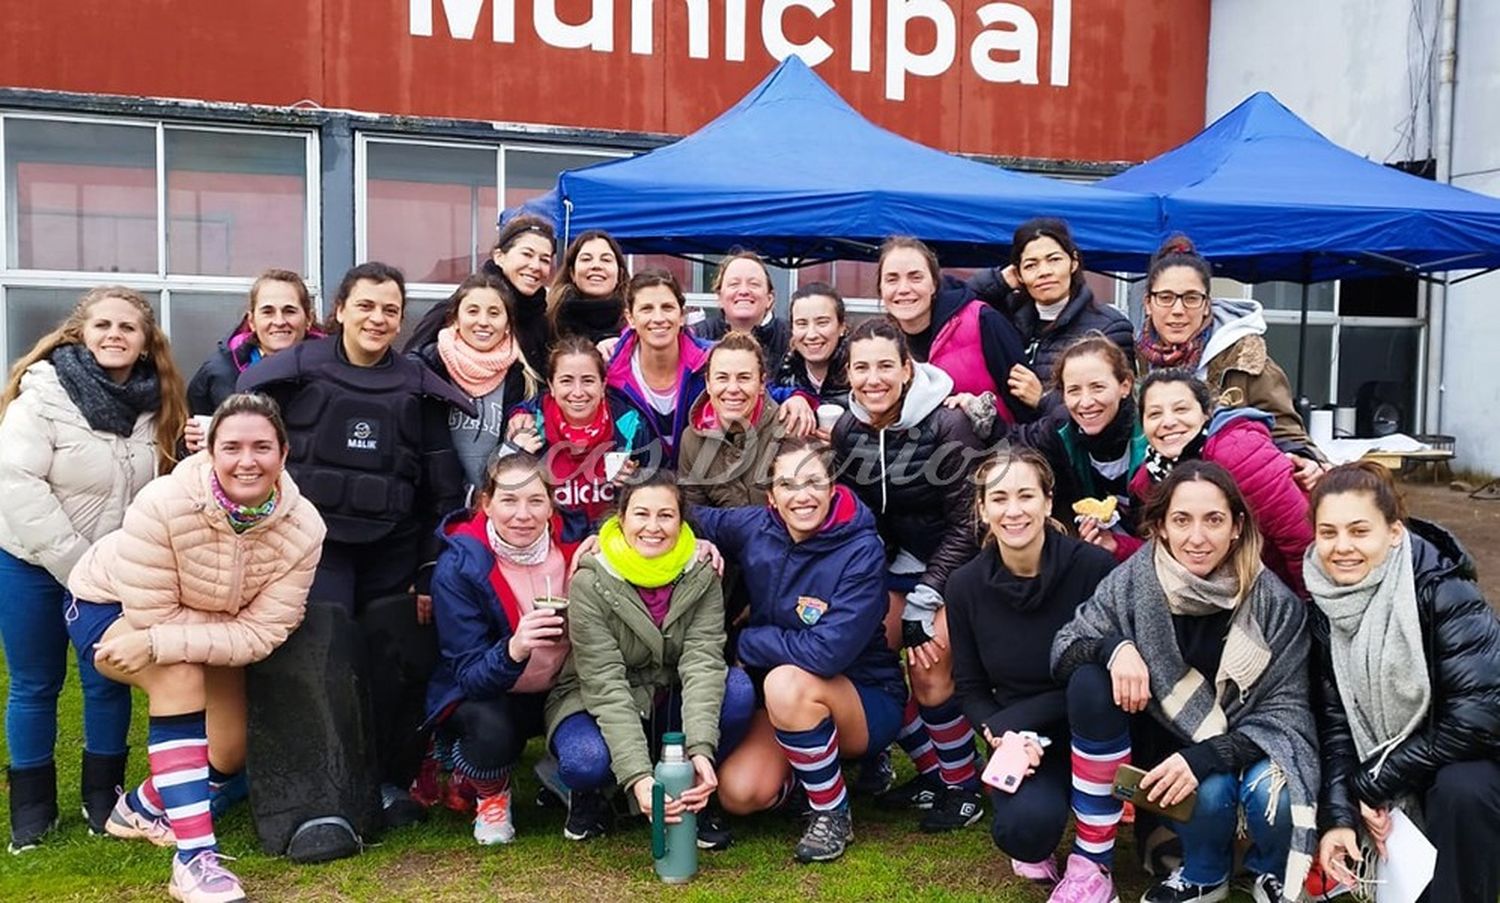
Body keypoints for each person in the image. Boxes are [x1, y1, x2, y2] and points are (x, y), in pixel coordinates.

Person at [237, 261, 475, 862]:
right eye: (365, 306)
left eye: (390, 309)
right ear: (340, 310)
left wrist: (428, 566)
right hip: (314, 547)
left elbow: (443, 493)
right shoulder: (287, 376)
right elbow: (239, 449)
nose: (377, 319)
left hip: (393, 546)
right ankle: (319, 801)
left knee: (392, 658)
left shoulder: (420, 387)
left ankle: (385, 780)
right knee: (319, 657)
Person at [66, 392, 325, 903]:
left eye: (261, 447)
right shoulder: (163, 502)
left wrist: (173, 637)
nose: (246, 461)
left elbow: (264, 633)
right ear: (209, 451)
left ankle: (138, 807)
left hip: (198, 627)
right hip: (110, 605)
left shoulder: (306, 529)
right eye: (230, 447)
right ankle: (194, 860)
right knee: (180, 674)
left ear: (284, 453)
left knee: (228, 751)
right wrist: (171, 637)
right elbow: (151, 616)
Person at [1052, 460, 1319, 903]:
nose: (1197, 538)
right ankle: (1203, 875)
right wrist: (1115, 649)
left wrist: (1208, 755)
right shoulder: (1134, 582)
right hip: (1174, 758)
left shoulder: (1275, 603)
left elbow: (1287, 713)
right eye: (1181, 520)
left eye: (1214, 520)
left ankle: (1273, 872)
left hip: (1255, 749)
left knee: (1275, 792)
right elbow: (1065, 647)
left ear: (1236, 526)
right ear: (1160, 527)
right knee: (1208, 792)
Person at [0, 285, 186, 851]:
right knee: (36, 683)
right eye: (103, 325)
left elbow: (167, 485)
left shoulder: (159, 406)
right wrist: (77, 563)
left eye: (127, 328)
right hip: (32, 561)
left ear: (145, 341)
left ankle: (102, 797)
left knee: (106, 680)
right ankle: (32, 809)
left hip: (112, 571)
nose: (114, 335)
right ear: (81, 333)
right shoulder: (43, 395)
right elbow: (16, 484)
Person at [692, 437, 906, 863]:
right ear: (772, 496)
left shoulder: (861, 549)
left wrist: (748, 642)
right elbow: (683, 515)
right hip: (784, 702)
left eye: (813, 482)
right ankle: (813, 775)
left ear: (832, 487)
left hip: (864, 696)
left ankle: (833, 813)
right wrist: (611, 534)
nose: (802, 496)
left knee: (786, 683)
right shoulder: (756, 526)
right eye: (788, 485)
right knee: (740, 793)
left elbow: (826, 655)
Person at [1306, 462, 1500, 903]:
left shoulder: (1443, 591)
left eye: (1359, 531)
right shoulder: (1322, 608)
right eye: (1328, 532)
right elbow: (1336, 724)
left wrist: (1375, 781)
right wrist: (1340, 813)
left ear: (1394, 532)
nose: (1342, 547)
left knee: (1462, 789)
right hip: (1400, 764)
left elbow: (1480, 716)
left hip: (1474, 756)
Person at [947, 446, 1126, 902]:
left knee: (1092, 680)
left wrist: (1016, 716)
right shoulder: (964, 586)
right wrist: (1002, 735)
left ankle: (1094, 860)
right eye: (1000, 498)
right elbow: (969, 687)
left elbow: (1113, 671)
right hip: (1027, 742)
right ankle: (1048, 814)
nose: (1014, 510)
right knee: (1023, 832)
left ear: (1048, 503)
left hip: (1099, 725)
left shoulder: (1093, 569)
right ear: (983, 509)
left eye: (1026, 496)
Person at [830, 317, 987, 833]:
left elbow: (968, 522)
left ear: (906, 367)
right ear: (848, 373)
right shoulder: (847, 429)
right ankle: (931, 769)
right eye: (860, 368)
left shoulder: (948, 423)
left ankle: (964, 787)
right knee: (866, 654)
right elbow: (860, 516)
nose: (872, 379)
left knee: (926, 665)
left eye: (884, 366)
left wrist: (926, 596)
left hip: (955, 566)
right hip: (893, 566)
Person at [546, 470, 753, 850]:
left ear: (681, 520)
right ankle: (594, 791)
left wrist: (701, 752)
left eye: (666, 515)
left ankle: (693, 794)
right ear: (620, 519)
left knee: (736, 689)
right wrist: (639, 776)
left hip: (666, 697)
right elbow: (605, 685)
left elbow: (702, 663)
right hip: (594, 700)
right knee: (585, 760)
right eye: (641, 514)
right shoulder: (590, 580)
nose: (653, 527)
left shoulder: (702, 572)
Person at [425, 451, 578, 845]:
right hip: (490, 692)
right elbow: (468, 674)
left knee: (594, 744)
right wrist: (515, 647)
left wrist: (698, 548)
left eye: (535, 500)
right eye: (509, 500)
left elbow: (640, 536)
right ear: (486, 504)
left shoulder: (578, 547)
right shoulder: (459, 567)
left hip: (559, 687)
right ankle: (490, 793)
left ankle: (563, 772)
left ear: (551, 505)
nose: (522, 514)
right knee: (492, 733)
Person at [1105, 370, 1314, 600]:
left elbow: (1300, 539)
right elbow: (1167, 559)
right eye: (1154, 414)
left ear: (1206, 414)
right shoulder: (1148, 480)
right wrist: (1115, 545)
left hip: (1279, 597)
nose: (1168, 422)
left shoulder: (1239, 452)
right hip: (1221, 599)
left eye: (1181, 409)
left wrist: (1309, 611)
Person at [1136, 235, 1325, 481]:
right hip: (1158, 494)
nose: (1178, 310)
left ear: (1207, 305)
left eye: (1191, 298)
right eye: (1166, 297)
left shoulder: (1245, 358)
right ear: (1148, 303)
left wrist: (1306, 459)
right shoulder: (1133, 359)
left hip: (1236, 497)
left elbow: (1289, 435)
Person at [986, 332, 1146, 534]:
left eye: (1097, 387)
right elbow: (1012, 441)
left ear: (1125, 386)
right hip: (1097, 544)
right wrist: (978, 413)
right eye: (1074, 390)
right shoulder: (1061, 427)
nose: (1086, 402)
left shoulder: (1152, 429)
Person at [409, 272, 543, 494]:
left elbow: (527, 455)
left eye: (494, 313)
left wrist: (514, 449)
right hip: (433, 511)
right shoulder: (425, 370)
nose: (483, 322)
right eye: (472, 311)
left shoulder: (524, 380)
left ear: (508, 324)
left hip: (493, 509)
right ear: (455, 319)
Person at [504, 336, 650, 534]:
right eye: (566, 381)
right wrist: (513, 453)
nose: (578, 392)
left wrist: (637, 482)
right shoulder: (529, 424)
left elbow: (656, 488)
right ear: (552, 386)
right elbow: (500, 492)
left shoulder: (630, 426)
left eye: (588, 380)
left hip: (608, 542)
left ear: (603, 385)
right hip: (548, 541)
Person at [877, 236, 1027, 422]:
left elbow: (1024, 409)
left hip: (994, 449)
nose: (904, 288)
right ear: (880, 289)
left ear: (934, 284)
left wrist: (980, 412)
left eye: (916, 277)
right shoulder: (880, 342)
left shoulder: (983, 321)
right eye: (892, 279)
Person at [994, 218, 1135, 401]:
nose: (1044, 271)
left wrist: (1043, 400)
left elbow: (1118, 407)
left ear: (1073, 262)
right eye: (1031, 265)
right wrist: (998, 281)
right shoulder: (1008, 318)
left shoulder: (1109, 328)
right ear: (1018, 274)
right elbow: (959, 306)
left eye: (1054, 260)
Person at [408, 214, 556, 378]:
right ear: (499, 256)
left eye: (545, 260)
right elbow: (410, 370)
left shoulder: (541, 322)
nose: (536, 266)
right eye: (527, 254)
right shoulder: (452, 310)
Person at [604, 268, 713, 468]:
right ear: (630, 318)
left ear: (681, 315)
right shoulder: (610, 374)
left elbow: (757, 387)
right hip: (642, 489)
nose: (658, 318)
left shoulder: (712, 361)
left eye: (667, 307)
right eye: (646, 309)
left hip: (703, 487)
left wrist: (791, 397)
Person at [186, 269, 318, 416]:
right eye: (267, 312)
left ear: (309, 319)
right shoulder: (219, 373)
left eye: (289, 311)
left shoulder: (332, 369)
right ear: (252, 321)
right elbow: (193, 430)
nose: (279, 321)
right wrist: (193, 438)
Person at [678, 331, 782, 509]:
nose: (733, 388)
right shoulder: (692, 439)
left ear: (762, 384)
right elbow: (693, 512)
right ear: (708, 384)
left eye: (744, 378)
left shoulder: (787, 429)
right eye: (722, 378)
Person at [697, 250, 791, 372]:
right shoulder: (698, 336)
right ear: (719, 297)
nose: (743, 291)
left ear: (770, 298)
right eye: (734, 284)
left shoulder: (791, 338)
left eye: (754, 284)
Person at [773, 282, 851, 409]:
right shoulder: (783, 376)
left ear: (842, 327)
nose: (811, 335)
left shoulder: (861, 376)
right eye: (802, 324)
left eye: (822, 323)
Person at [547, 230, 630, 344]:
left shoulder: (636, 325)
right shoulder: (549, 321)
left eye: (606, 260)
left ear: (619, 274)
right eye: (586, 259)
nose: (596, 266)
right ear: (572, 273)